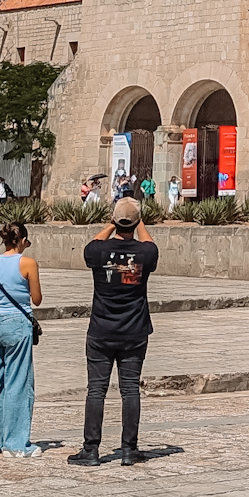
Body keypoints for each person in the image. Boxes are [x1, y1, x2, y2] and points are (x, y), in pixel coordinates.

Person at [71, 198, 158, 466]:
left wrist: (112, 223)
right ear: (135, 223)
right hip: (134, 331)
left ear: (114, 220)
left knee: (96, 390)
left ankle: (91, 449)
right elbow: (150, 244)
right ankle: (129, 450)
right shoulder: (145, 254)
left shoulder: (99, 252)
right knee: (130, 390)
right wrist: (137, 220)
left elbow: (92, 245)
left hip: (101, 330)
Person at [0, 220, 43, 456]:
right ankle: (16, 443)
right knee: (18, 383)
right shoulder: (27, 264)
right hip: (17, 325)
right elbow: (36, 299)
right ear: (22, 240)